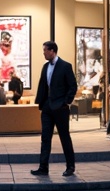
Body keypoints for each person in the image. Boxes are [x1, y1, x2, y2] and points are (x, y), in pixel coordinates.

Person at [32, 40, 78, 177]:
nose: (44, 53)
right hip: (47, 108)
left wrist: (66, 102)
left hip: (61, 108)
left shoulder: (65, 66)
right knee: (45, 138)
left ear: (52, 51)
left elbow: (73, 86)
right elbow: (43, 86)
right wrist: (41, 103)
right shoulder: (45, 67)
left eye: (45, 51)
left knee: (64, 137)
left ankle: (70, 167)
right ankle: (43, 167)